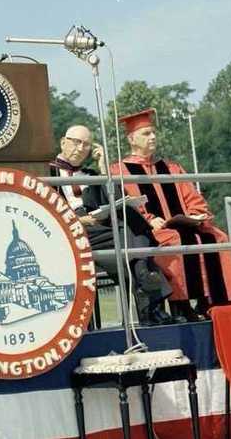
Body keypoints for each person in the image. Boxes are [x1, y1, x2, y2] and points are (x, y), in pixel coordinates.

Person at [110, 109, 231, 320]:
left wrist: (196, 214)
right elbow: (127, 206)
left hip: (183, 225)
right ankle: (181, 305)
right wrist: (149, 219)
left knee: (216, 237)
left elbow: (193, 198)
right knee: (174, 241)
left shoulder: (171, 168)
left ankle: (214, 301)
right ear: (131, 139)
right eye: (146, 133)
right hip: (155, 231)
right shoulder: (121, 171)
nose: (153, 137)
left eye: (153, 132)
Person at [47, 125, 176, 325]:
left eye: (87, 145)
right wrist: (80, 220)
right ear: (63, 142)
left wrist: (104, 168)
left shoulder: (91, 174)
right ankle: (151, 307)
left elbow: (116, 199)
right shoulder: (48, 172)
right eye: (76, 142)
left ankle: (142, 273)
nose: (81, 148)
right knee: (133, 251)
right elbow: (47, 213)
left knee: (130, 213)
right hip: (73, 228)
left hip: (101, 225)